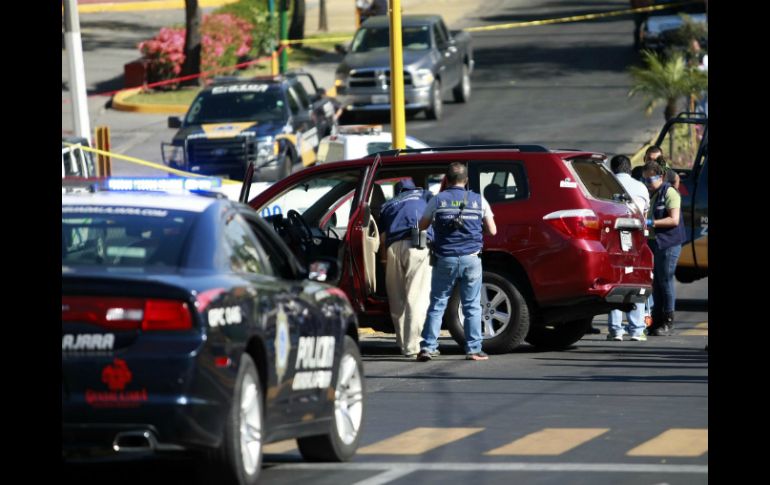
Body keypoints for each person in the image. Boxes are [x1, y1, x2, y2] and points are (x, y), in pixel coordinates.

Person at [416, 163, 497, 362]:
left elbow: (422, 226)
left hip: (445, 259)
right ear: (466, 180)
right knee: (471, 306)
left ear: (447, 180)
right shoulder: (479, 200)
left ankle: (428, 347)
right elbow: (493, 231)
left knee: (437, 304)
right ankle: (474, 349)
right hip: (471, 259)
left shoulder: (438, 200)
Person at [379, 179, 433, 357]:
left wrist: (383, 260)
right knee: (416, 297)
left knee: (397, 297)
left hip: (393, 247)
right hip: (417, 244)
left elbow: (382, 236)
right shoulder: (424, 195)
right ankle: (413, 346)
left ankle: (403, 343)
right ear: (414, 187)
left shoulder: (388, 204)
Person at [606, 155, 651, 341]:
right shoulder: (641, 187)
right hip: (636, 238)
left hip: (613, 238)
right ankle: (637, 329)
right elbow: (645, 213)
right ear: (630, 169)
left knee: (616, 280)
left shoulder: (605, 184)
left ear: (612, 169)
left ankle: (616, 330)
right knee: (637, 279)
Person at [642, 160, 686, 336]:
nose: (647, 183)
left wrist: (651, 222)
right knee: (656, 283)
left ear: (660, 177)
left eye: (650, 179)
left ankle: (668, 321)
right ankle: (656, 320)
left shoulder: (670, 193)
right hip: (654, 242)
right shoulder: (653, 193)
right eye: (644, 180)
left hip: (668, 243)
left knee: (666, 281)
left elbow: (674, 220)